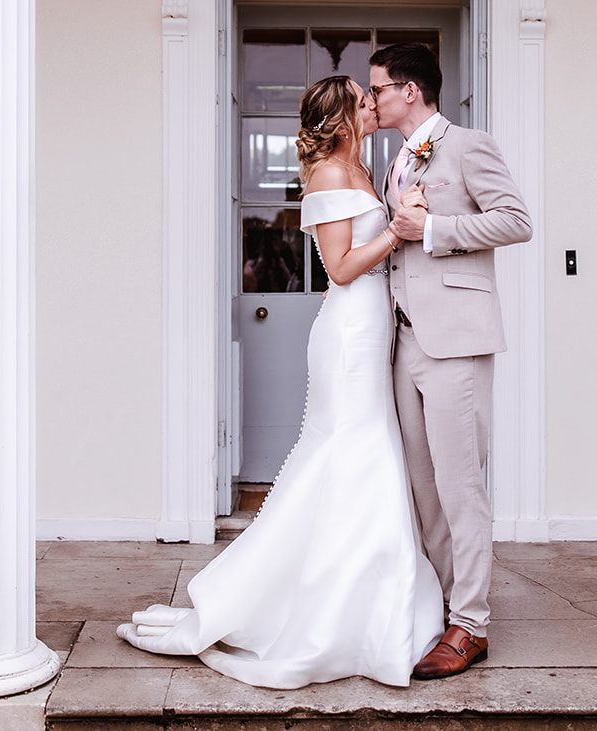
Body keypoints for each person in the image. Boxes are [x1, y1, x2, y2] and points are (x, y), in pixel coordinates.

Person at [116, 76, 444, 688]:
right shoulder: (328, 176)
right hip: (348, 336)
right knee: (355, 452)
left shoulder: (365, 169)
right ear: (345, 115)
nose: (375, 102)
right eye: (364, 97)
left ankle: (363, 598)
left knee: (367, 456)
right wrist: (397, 231)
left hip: (375, 331)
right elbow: (342, 269)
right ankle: (327, 607)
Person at [369, 42, 532, 680]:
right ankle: (445, 603)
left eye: (378, 87)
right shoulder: (395, 161)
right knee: (424, 487)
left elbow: (514, 220)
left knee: (462, 486)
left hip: (457, 340)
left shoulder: (467, 144)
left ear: (410, 90)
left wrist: (433, 233)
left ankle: (472, 624)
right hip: (404, 340)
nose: (372, 98)